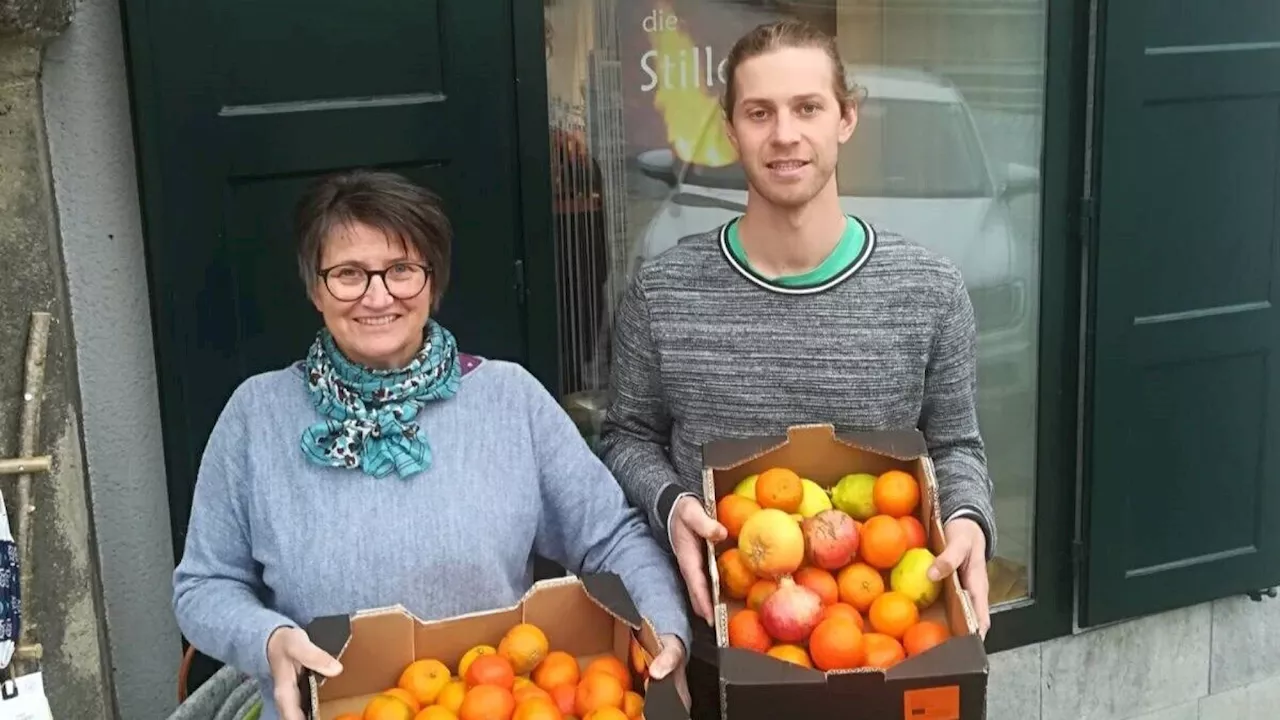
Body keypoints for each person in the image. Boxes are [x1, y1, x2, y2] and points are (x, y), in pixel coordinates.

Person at [172, 169, 691, 720]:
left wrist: (666, 632)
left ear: (433, 282)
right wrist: (267, 639)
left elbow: (610, 538)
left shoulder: (507, 399)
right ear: (314, 288)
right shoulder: (258, 414)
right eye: (348, 273)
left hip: (487, 703)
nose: (377, 296)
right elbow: (205, 584)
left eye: (401, 271)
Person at [598, 18, 995, 708]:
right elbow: (627, 436)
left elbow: (956, 442)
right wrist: (672, 506)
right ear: (730, 129)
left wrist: (966, 521)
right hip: (727, 647)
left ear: (846, 117)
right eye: (760, 112)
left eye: (807, 107)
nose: (784, 134)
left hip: (889, 654)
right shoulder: (664, 291)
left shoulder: (928, 290)